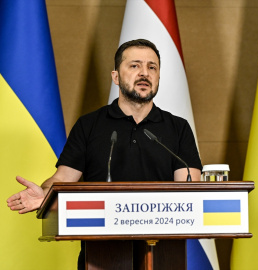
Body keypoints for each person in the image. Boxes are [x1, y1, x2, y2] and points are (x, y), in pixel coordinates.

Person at [7, 39, 202, 269]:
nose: (144, 73)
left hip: (163, 254)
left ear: (158, 77)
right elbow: (62, 179)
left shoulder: (178, 128)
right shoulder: (89, 125)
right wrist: (46, 196)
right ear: (116, 77)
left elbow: (189, 189)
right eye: (134, 65)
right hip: (100, 254)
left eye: (152, 67)